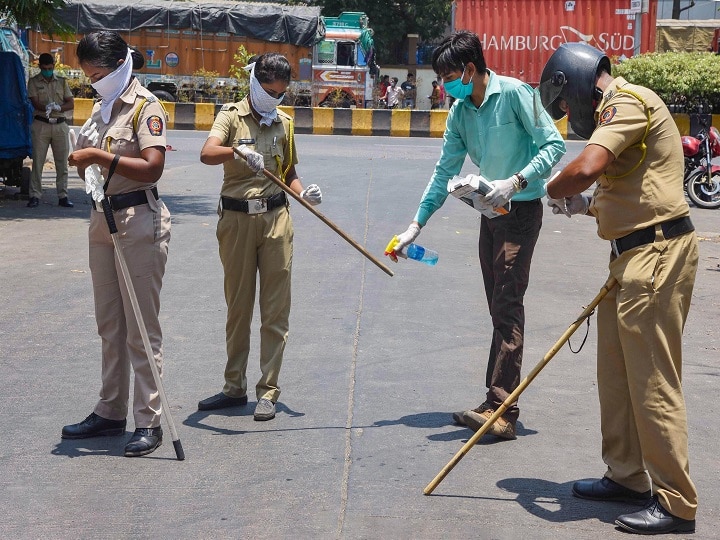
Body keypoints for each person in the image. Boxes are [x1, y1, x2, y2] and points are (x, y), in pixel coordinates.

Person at [540, 42, 698, 535]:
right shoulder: (620, 112)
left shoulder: (626, 102)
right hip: (630, 256)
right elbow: (626, 188)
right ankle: (628, 476)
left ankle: (676, 503)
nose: (569, 115)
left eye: (564, 104)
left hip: (654, 256)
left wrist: (550, 188)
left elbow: (586, 165)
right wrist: (586, 205)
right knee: (616, 374)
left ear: (577, 82)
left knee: (652, 382)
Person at [391, 30, 565, 440]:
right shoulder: (460, 112)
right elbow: (443, 172)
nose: (445, 85)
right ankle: (494, 401)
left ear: (471, 69)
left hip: (519, 211)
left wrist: (517, 180)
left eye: (450, 75)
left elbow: (554, 145)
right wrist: (415, 225)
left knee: (507, 304)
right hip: (489, 213)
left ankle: (503, 409)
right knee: (498, 306)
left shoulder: (518, 94)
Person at [62, 31, 171, 458]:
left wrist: (98, 158)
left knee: (141, 329)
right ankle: (110, 410)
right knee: (110, 323)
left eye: (98, 73)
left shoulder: (146, 106)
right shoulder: (101, 108)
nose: (93, 81)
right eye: (89, 75)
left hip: (138, 221)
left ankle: (149, 420)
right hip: (101, 218)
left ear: (119, 64)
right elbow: (92, 164)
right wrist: (82, 160)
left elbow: (153, 168)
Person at [198, 53, 323, 422]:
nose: (275, 98)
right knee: (238, 307)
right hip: (236, 221)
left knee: (275, 310)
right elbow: (207, 153)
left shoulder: (283, 123)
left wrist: (303, 193)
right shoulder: (230, 116)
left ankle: (268, 391)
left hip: (276, 220)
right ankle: (233, 387)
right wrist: (237, 150)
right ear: (255, 82)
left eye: (281, 93)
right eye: (269, 91)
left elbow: (289, 170)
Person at [27, 52, 75, 208]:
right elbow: (34, 102)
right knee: (38, 162)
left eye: (50, 68)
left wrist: (58, 107)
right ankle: (35, 195)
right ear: (40, 67)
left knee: (62, 164)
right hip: (41, 124)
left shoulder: (61, 82)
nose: (48, 70)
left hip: (60, 124)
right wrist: (46, 107)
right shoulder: (34, 82)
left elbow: (70, 103)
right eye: (45, 68)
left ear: (53, 66)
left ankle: (63, 196)